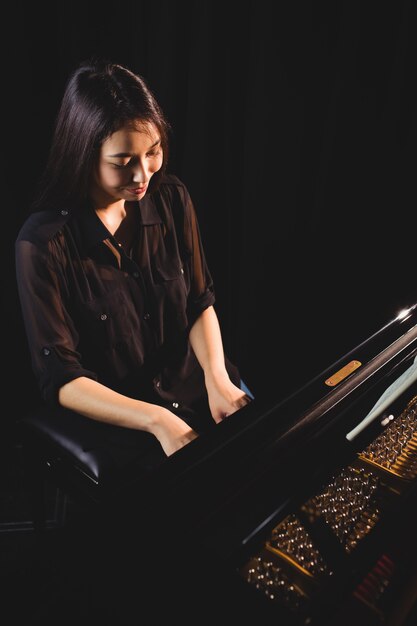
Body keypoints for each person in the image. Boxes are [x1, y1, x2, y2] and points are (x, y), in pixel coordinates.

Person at [15, 58, 251, 464]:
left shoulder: (172, 198)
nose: (143, 174)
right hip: (124, 416)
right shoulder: (42, 244)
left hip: (195, 384)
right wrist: (157, 421)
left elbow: (200, 302)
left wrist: (217, 379)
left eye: (154, 152)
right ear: (84, 155)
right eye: (123, 162)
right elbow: (61, 379)